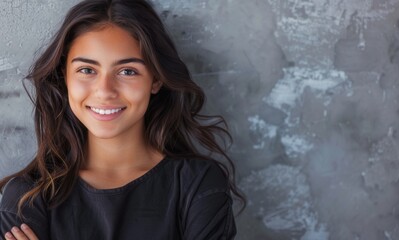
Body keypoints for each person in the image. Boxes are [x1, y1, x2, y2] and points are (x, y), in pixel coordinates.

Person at [0, 0, 245, 239]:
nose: (105, 91)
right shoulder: (27, 197)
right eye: (87, 70)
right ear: (65, 76)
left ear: (156, 80)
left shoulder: (197, 185)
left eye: (127, 71)